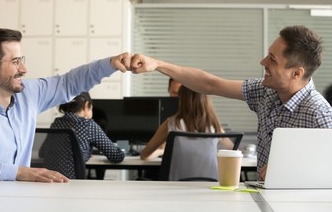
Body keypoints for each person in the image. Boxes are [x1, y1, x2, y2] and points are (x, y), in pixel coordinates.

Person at [131, 25, 332, 180]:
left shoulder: (319, 112)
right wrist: (157, 64)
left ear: (296, 73)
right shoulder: (265, 91)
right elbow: (210, 84)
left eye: (272, 59)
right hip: (262, 198)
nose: (263, 62)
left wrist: (288, 171)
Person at [0, 28, 132, 183]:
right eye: (16, 62)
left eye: (21, 61)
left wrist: (110, 64)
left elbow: (68, 83)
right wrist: (17, 172)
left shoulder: (29, 94)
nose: (24, 69)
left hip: (22, 201)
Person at [39, 92, 125, 179]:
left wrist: (80, 152)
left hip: (51, 183)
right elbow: (116, 156)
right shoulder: (88, 125)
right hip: (74, 184)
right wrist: (125, 150)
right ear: (86, 105)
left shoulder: (56, 123)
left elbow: (42, 153)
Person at [140, 85, 233, 160]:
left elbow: (144, 155)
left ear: (181, 99)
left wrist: (162, 151)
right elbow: (232, 148)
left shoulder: (171, 124)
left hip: (178, 182)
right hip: (210, 181)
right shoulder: (213, 125)